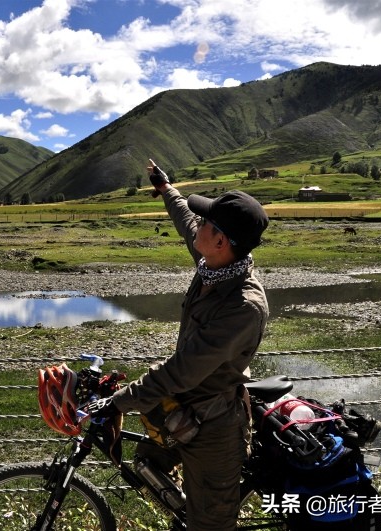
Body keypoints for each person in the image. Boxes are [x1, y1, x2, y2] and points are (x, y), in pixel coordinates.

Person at [88, 160, 269, 530]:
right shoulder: (215, 262)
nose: (197, 225)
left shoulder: (242, 306)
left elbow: (180, 371)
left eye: (207, 223)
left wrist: (117, 400)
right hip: (178, 409)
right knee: (146, 463)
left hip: (215, 424)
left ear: (220, 240)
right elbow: (187, 221)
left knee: (211, 524)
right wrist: (166, 188)